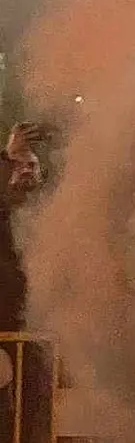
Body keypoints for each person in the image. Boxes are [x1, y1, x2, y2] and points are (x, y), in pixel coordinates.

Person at [0, 122, 45, 331]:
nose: (25, 170)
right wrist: (8, 157)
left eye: (31, 165)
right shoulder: (4, 213)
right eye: (19, 165)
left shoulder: (51, 212)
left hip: (42, 323)